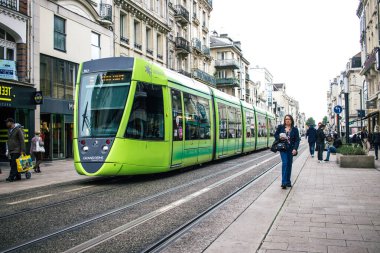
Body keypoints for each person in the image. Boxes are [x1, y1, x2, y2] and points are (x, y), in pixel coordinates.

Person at [274, 114, 300, 189]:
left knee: (289, 164)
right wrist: (279, 137)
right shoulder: (281, 127)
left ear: (291, 120)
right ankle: (284, 182)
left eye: (288, 119)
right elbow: (275, 135)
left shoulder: (295, 129)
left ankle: (288, 181)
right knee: (285, 163)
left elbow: (297, 140)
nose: (287, 120)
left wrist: (295, 149)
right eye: (286, 119)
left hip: (291, 149)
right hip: (283, 148)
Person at [5, 118, 25, 182]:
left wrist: (22, 150)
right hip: (11, 150)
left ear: (11, 123)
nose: (6, 124)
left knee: (13, 164)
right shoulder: (9, 130)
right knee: (12, 163)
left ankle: (11, 177)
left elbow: (22, 140)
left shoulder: (18, 130)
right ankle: (18, 176)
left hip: (17, 150)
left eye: (7, 122)